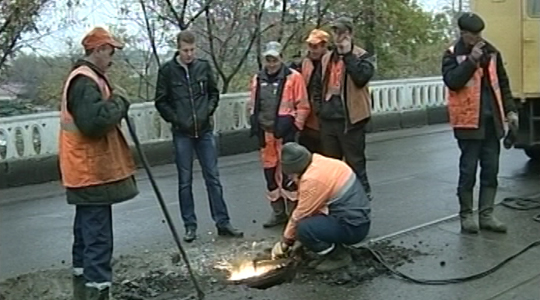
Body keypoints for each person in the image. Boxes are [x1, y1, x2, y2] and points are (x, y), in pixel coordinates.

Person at [59, 27, 139, 300]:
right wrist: (119, 102)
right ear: (97, 50)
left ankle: (82, 290)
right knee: (97, 238)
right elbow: (93, 124)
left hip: (85, 170)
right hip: (89, 170)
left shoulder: (89, 78)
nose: (112, 57)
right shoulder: (84, 82)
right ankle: (97, 293)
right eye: (110, 51)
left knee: (86, 234)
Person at [154, 30, 243, 242]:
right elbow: (160, 101)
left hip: (204, 130)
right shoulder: (167, 71)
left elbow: (214, 93)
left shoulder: (203, 66)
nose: (189, 54)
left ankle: (223, 222)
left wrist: (207, 112)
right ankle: (190, 226)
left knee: (213, 177)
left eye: (192, 50)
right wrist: (176, 119)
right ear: (178, 48)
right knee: (185, 181)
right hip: (182, 132)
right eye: (185, 50)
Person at [441, 12, 518, 234]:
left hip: (492, 121)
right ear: (464, 34)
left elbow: (502, 83)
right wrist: (472, 61)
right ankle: (466, 215)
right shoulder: (452, 54)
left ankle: (487, 215)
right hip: (467, 123)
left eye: (479, 34)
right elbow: (452, 82)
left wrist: (511, 110)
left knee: (491, 170)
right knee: (468, 171)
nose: (478, 38)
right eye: (473, 34)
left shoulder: (492, 52)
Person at [271, 142, 371, 272]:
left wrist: (286, 242)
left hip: (353, 227)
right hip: (357, 219)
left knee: (305, 229)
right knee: (309, 224)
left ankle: (338, 257)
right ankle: (333, 245)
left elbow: (300, 214)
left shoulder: (313, 180)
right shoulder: (320, 161)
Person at [248, 41, 310, 228]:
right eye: (268, 60)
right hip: (266, 134)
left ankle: (294, 213)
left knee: (289, 174)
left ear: (281, 58)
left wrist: (296, 127)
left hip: (286, 134)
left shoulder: (293, 78)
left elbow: (303, 105)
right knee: (270, 175)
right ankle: (278, 213)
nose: (272, 63)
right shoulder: (258, 79)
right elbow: (252, 104)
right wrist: (254, 123)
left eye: (274, 59)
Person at [312, 17, 375, 201]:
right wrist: (319, 109)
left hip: (351, 120)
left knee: (355, 162)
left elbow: (361, 78)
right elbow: (317, 86)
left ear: (350, 34)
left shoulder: (362, 56)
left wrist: (348, 55)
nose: (339, 37)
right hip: (328, 119)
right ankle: (336, 198)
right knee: (331, 164)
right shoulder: (326, 59)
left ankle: (362, 196)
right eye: (336, 32)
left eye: (342, 33)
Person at [297, 29, 330, 154]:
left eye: (315, 46)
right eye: (310, 46)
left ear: (324, 46)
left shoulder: (333, 63)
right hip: (307, 121)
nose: (312, 50)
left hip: (326, 120)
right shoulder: (303, 64)